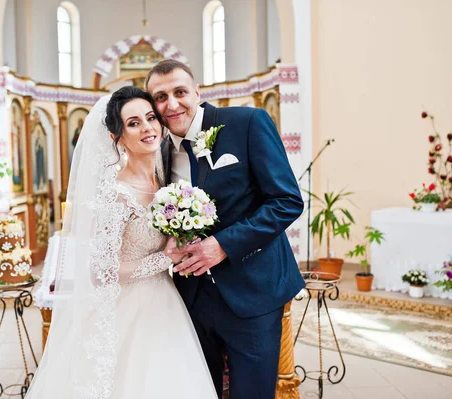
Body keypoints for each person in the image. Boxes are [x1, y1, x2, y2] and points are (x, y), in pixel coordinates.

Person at [24, 86, 217, 399]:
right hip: (126, 311)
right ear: (117, 137)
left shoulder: (166, 180)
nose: (147, 128)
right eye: (133, 123)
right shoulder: (115, 194)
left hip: (165, 303)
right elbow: (100, 271)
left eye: (150, 118)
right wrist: (165, 258)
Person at [146, 59, 305, 399]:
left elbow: (287, 200)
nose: (171, 104)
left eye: (179, 92)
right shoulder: (157, 151)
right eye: (160, 97)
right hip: (192, 297)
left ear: (197, 92)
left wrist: (222, 245)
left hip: (253, 292)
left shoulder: (246, 123)